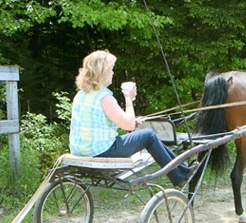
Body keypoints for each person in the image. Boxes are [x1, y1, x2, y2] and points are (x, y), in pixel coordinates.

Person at [69, 50, 189, 187]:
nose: (113, 73)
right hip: (101, 152)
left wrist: (131, 121)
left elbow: (102, 123)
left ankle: (181, 168)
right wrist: (128, 98)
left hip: (79, 151)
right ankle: (179, 175)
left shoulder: (81, 95)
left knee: (145, 134)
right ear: (102, 72)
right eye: (111, 69)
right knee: (149, 136)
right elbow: (129, 126)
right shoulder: (104, 97)